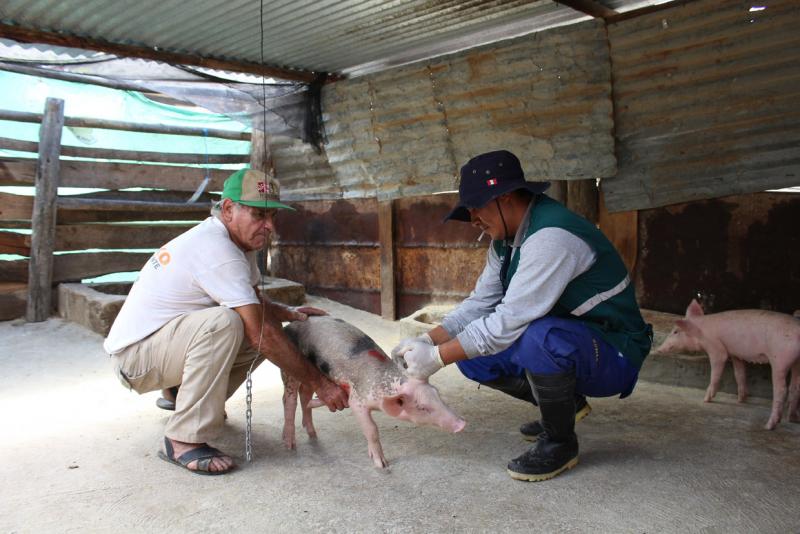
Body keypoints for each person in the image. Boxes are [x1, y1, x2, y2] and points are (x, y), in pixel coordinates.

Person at [392, 150, 652, 482]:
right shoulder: (505, 242)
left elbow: (508, 321)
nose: (473, 219)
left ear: (506, 197)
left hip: (615, 351)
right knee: (471, 355)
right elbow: (478, 307)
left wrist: (437, 358)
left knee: (538, 339)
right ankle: (564, 406)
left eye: (476, 207)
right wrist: (427, 340)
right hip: (575, 338)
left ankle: (560, 443)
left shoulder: (551, 237)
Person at [104, 168, 349, 475]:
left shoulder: (237, 243)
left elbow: (254, 300)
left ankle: (178, 395)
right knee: (231, 325)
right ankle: (183, 440)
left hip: (155, 350)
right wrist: (321, 384)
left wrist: (290, 313)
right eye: (259, 215)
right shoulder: (217, 249)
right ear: (229, 209)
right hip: (135, 360)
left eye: (273, 216)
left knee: (259, 327)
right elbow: (262, 333)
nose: (270, 225)